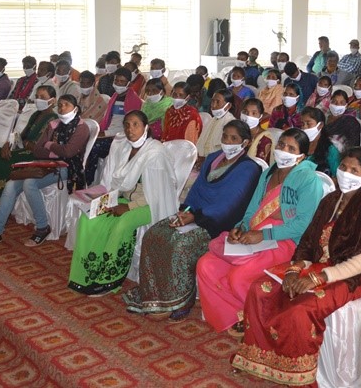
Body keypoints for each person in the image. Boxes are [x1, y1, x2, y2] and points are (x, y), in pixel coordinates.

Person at [231, 148, 361, 384]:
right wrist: (294, 270)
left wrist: (316, 279)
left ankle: (298, 374)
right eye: (343, 168)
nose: (346, 174)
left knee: (301, 307)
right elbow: (308, 241)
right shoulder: (330, 200)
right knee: (260, 288)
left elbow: (359, 263)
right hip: (318, 265)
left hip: (354, 275)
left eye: (354, 171)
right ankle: (257, 358)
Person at [122, 120, 262, 318]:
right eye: (225, 136)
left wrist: (195, 217)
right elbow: (195, 192)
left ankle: (179, 303)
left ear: (245, 143)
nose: (227, 142)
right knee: (154, 234)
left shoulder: (249, 169)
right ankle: (154, 296)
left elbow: (230, 206)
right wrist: (185, 212)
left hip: (218, 224)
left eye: (234, 139)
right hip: (193, 215)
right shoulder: (213, 158)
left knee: (180, 245)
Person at [197, 128, 324, 333]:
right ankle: (235, 315)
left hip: (286, 241)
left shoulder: (308, 180)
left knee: (239, 277)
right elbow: (251, 210)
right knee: (206, 264)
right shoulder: (268, 173)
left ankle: (258, 320)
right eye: (281, 145)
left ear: (301, 156)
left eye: (291, 148)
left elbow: (303, 224)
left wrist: (263, 235)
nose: (284, 151)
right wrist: (241, 227)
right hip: (255, 235)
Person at [69, 110, 178, 296]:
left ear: (146, 127)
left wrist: (128, 207)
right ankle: (86, 273)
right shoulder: (125, 148)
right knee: (89, 216)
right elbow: (118, 184)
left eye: (135, 124)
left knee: (122, 224)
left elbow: (157, 194)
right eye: (127, 124)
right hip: (123, 198)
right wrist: (106, 199)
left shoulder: (155, 153)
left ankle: (110, 279)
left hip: (150, 205)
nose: (130, 129)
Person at [0, 95, 90, 248]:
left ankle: (42, 227)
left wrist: (49, 145)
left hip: (68, 167)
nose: (62, 108)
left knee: (30, 183)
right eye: (60, 105)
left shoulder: (81, 127)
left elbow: (69, 152)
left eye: (67, 105)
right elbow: (37, 150)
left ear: (75, 108)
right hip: (46, 163)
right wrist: (53, 151)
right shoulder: (53, 124)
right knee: (11, 184)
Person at [0, 85, 58, 221]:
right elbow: (21, 136)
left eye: (42, 98)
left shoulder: (53, 119)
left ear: (52, 101)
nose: (38, 100)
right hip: (22, 149)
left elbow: (44, 147)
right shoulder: (36, 114)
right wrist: (7, 144)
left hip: (33, 155)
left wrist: (26, 145)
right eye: (37, 97)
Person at [84, 69, 143, 186]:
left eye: (122, 81)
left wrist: (105, 133)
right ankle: (85, 178)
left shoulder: (133, 100)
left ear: (129, 83)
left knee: (94, 147)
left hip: (122, 138)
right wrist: (100, 132)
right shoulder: (115, 96)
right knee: (85, 141)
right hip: (109, 133)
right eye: (116, 80)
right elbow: (108, 119)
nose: (118, 84)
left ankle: (89, 181)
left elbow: (128, 127)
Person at [196, 89, 237, 161]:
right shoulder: (213, 119)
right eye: (212, 101)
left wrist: (206, 160)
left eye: (218, 102)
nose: (213, 105)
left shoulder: (231, 124)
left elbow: (225, 152)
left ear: (228, 106)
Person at [300, 107, 340, 176]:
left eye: (308, 124)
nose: (304, 128)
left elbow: (337, 177)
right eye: (303, 124)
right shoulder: (300, 144)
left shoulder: (330, 150)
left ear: (320, 125)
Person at [241, 98, 274, 165]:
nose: (248, 116)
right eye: (245, 112)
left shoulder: (265, 139)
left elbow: (260, 166)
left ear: (260, 117)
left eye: (254, 113)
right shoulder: (238, 132)